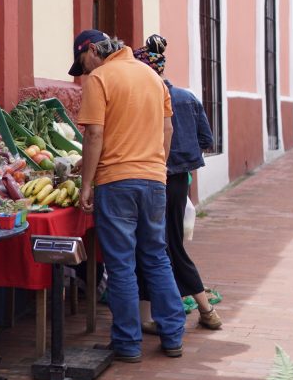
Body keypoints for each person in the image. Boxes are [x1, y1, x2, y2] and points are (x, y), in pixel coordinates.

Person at [69, 29, 186, 362]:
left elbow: (94, 135)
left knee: (121, 265)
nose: (85, 73)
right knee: (156, 257)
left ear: (91, 51)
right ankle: (173, 336)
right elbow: (168, 129)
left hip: (116, 182)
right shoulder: (152, 76)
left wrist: (87, 184)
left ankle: (128, 343)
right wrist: (157, 168)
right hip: (153, 180)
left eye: (83, 64)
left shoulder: (100, 79)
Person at [133, 34, 222, 331]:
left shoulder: (146, 99)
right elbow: (206, 141)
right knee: (159, 244)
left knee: (163, 246)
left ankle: (205, 309)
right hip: (180, 182)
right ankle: (149, 318)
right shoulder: (186, 97)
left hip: (154, 179)